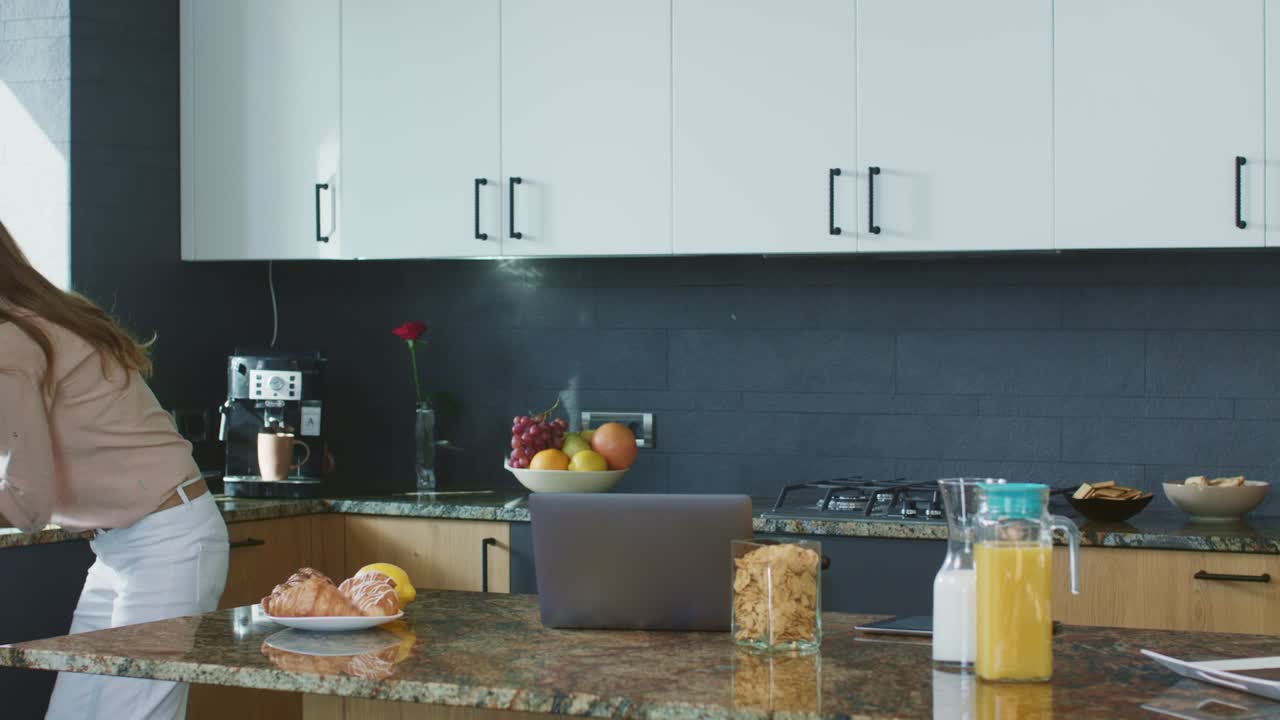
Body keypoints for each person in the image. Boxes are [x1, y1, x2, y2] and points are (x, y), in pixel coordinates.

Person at [0, 219, 228, 720]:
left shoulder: (13, 340)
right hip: (121, 547)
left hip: (168, 541)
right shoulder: (33, 318)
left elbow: (27, 505)